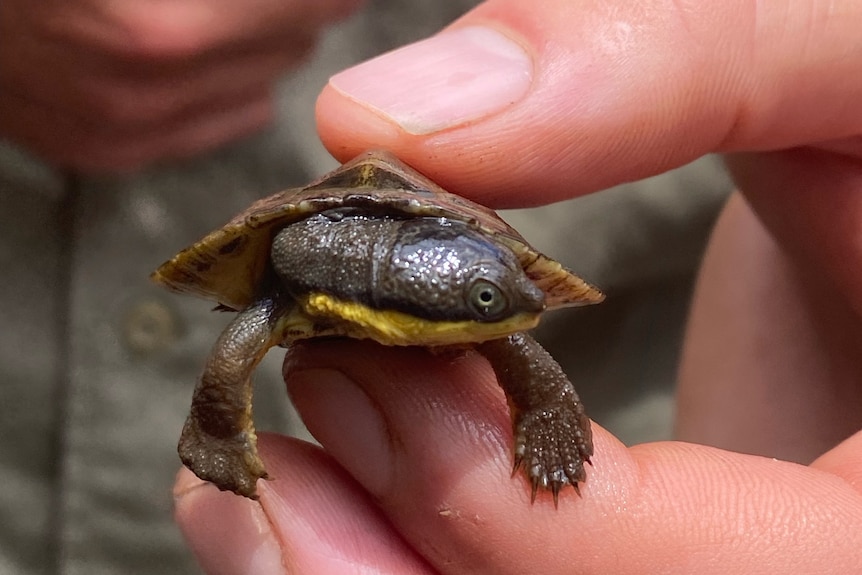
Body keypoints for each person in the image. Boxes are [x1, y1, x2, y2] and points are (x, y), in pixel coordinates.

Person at [1, 3, 855, 575]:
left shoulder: (482, 310)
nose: (511, 310)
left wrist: (546, 408)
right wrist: (217, 424)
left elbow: (509, 327)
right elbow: (242, 342)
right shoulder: (296, 280)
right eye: (487, 302)